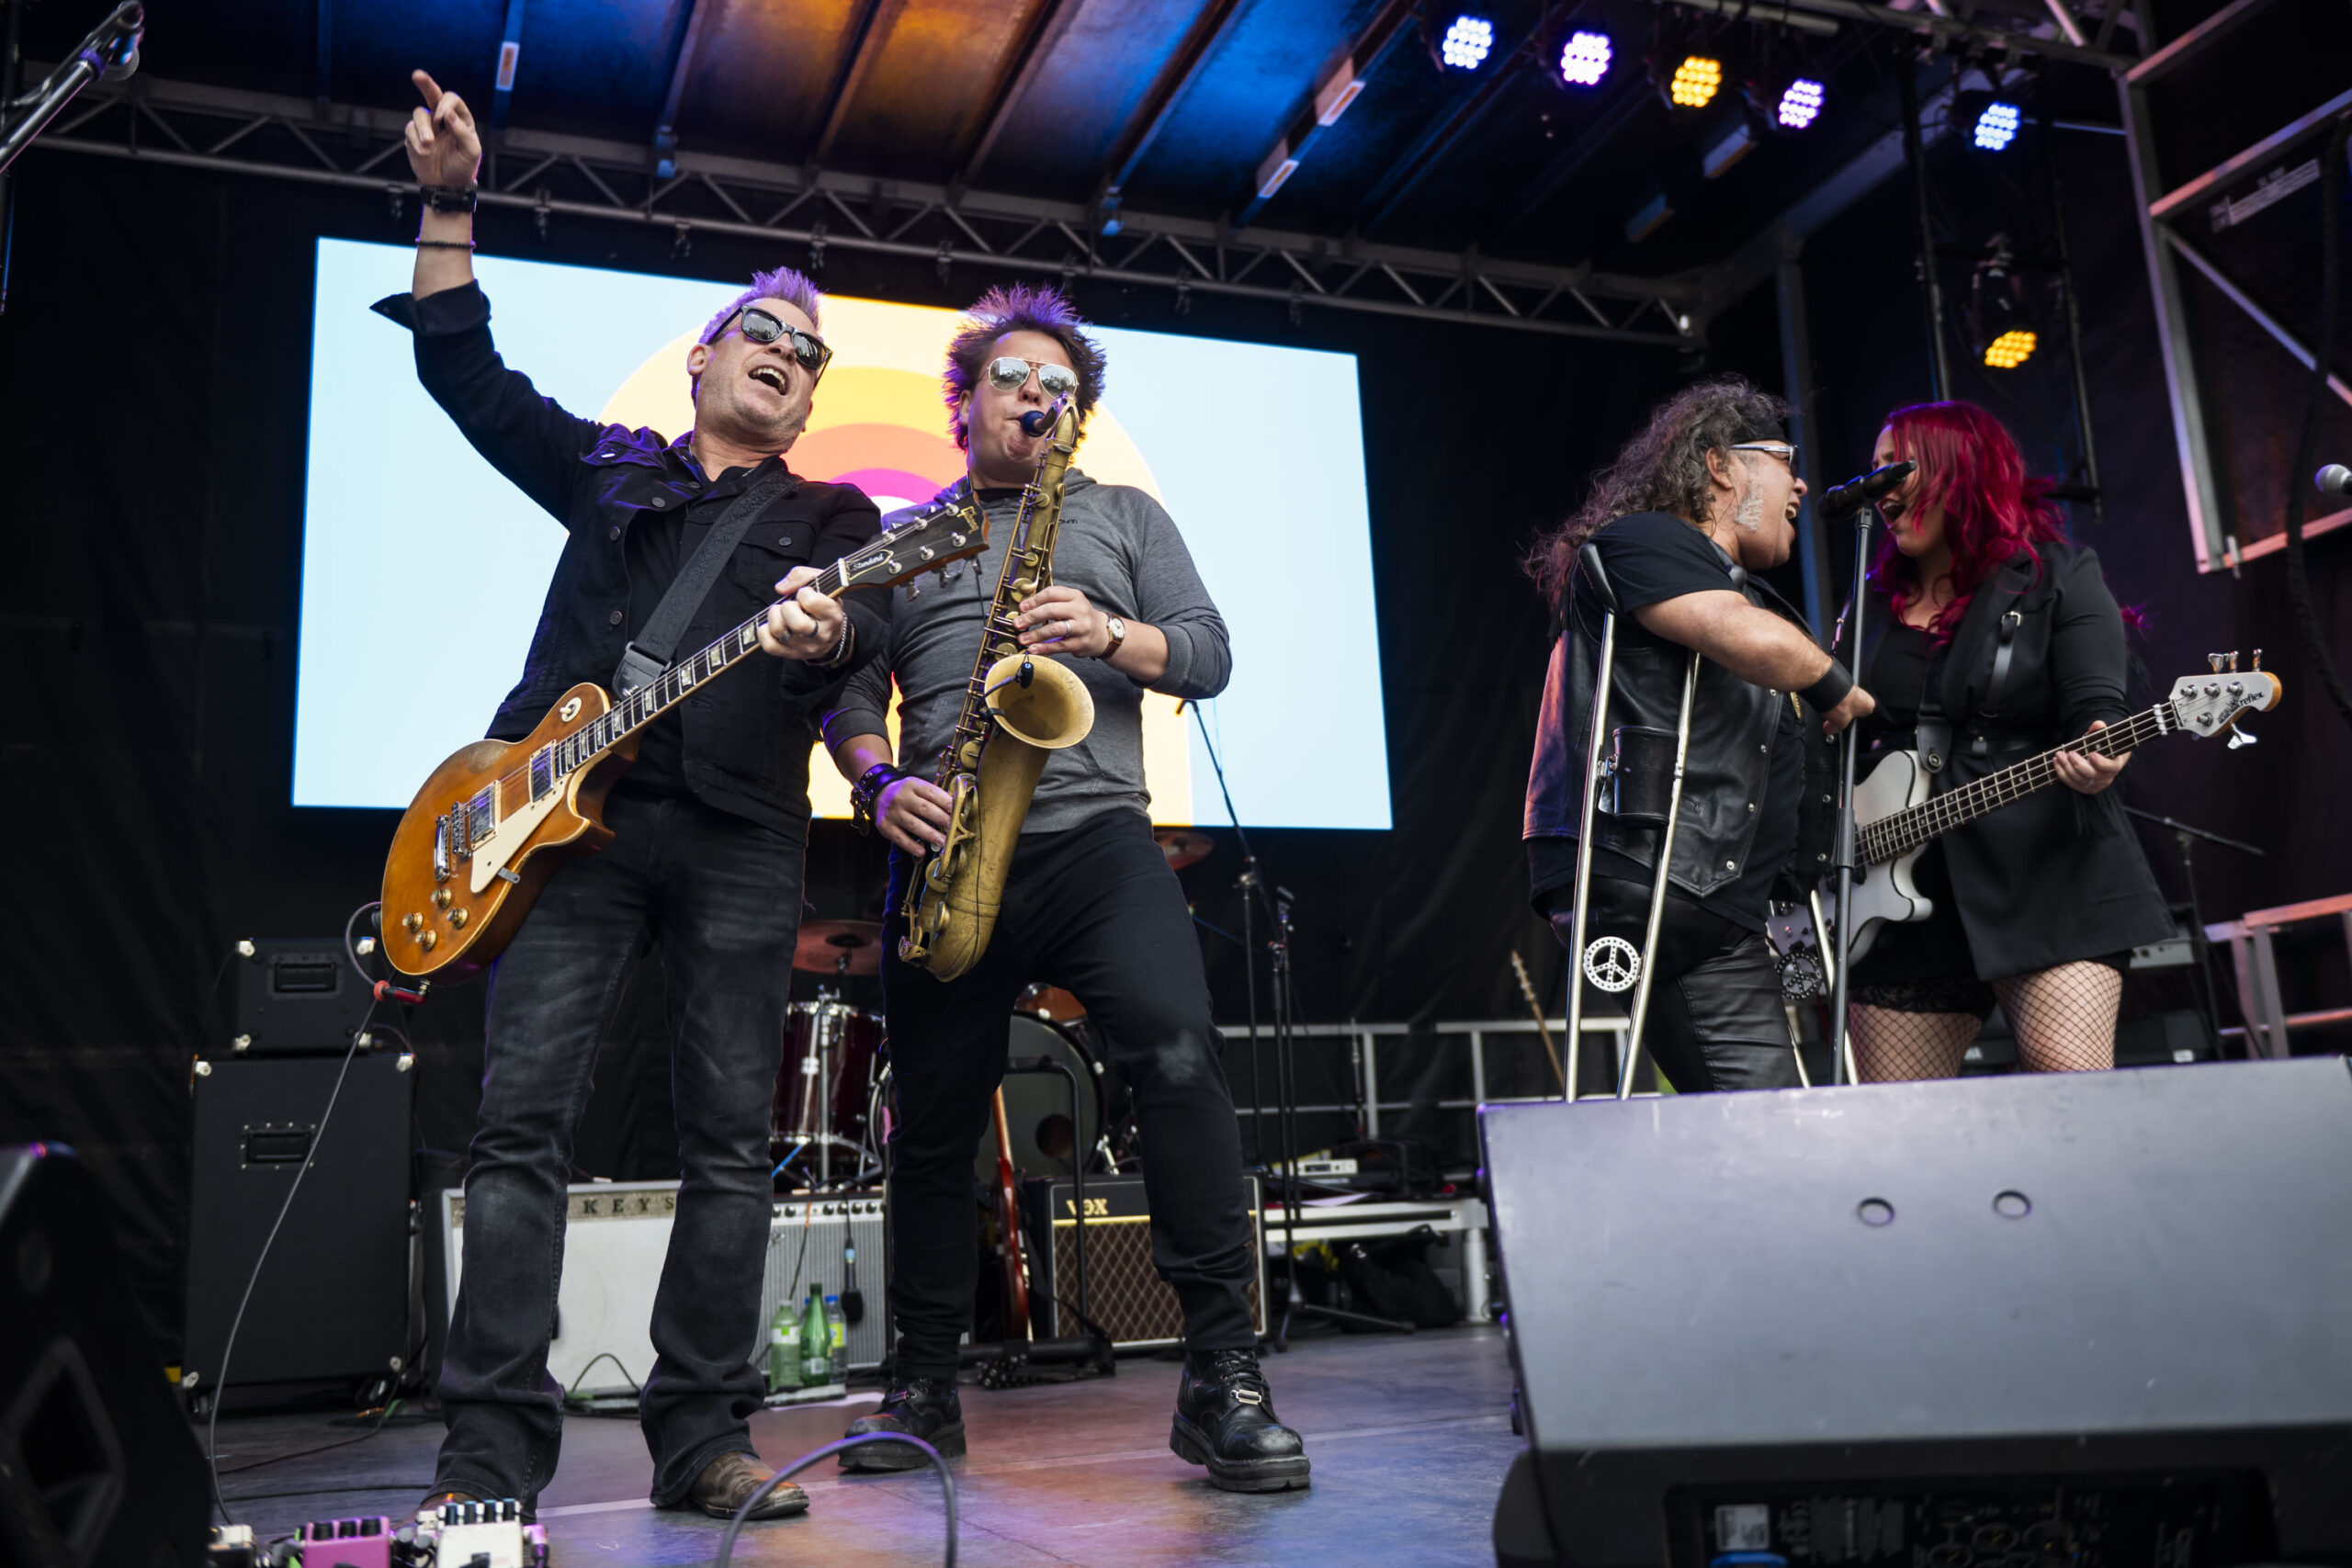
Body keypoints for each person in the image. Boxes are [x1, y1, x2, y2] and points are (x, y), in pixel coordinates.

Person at [382, 71, 885, 1524]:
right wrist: (450, 200)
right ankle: (489, 1461)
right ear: (704, 360)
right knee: (520, 1120)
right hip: (557, 831)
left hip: (738, 834)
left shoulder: (834, 518)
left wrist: (828, 626)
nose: (788, 355)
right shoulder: (610, 470)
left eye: (810, 352)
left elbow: (859, 637)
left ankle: (702, 1437)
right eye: (764, 334)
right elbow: (460, 371)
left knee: (729, 1138)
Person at [819, 286, 1308, 1493]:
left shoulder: (1123, 516)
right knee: (930, 1127)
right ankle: (924, 1383)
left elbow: (1210, 650)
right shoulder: (904, 535)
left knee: (1184, 1062)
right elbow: (846, 700)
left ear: (1076, 414)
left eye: (1060, 385)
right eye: (1013, 376)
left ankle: (1223, 1374)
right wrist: (879, 788)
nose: (1038, 395)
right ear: (966, 400)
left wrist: (1111, 631)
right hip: (945, 850)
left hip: (1096, 841)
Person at [1523, 378, 1873, 1093]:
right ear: (1720, 465)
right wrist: (1836, 684)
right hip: (1664, 883)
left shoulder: (1735, 586)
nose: (1802, 484)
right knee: (1768, 1128)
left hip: (1720, 903)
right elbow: (1741, 635)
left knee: (1770, 1125)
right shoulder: (1644, 541)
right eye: (1784, 459)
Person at [1845, 401, 2171, 1078]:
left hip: (2047, 873)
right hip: (1899, 893)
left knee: (2067, 1083)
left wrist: (2102, 748)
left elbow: (2097, 705)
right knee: (1898, 1127)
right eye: (1874, 472)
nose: (1881, 489)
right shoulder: (1871, 604)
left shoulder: (2058, 574)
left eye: (1898, 468)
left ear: (1960, 471)